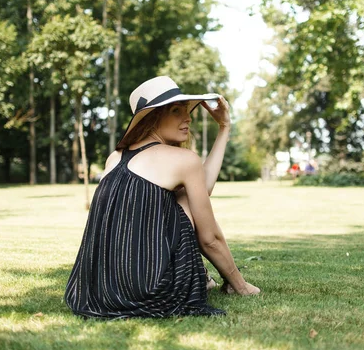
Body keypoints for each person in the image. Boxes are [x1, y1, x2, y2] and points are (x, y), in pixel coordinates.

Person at [64, 76, 260, 319]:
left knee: (184, 199)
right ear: (153, 118)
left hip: (97, 291)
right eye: (176, 111)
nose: (187, 118)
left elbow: (201, 188)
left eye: (186, 111)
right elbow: (209, 238)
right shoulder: (183, 160)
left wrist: (224, 129)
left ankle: (202, 276)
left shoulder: (114, 158)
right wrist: (241, 286)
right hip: (149, 292)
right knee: (188, 204)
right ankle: (225, 282)